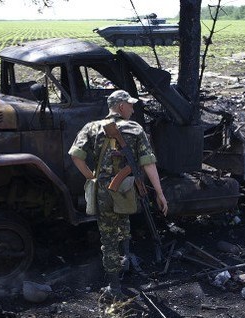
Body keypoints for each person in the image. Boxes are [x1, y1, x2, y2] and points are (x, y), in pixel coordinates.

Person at [69, 90, 168, 299]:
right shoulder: (134, 128)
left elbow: (76, 156)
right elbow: (148, 163)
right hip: (125, 188)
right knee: (122, 225)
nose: (133, 109)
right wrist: (159, 193)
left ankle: (117, 279)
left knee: (109, 235)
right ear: (121, 106)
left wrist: (92, 177)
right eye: (130, 105)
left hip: (103, 191)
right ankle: (119, 279)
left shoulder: (91, 127)